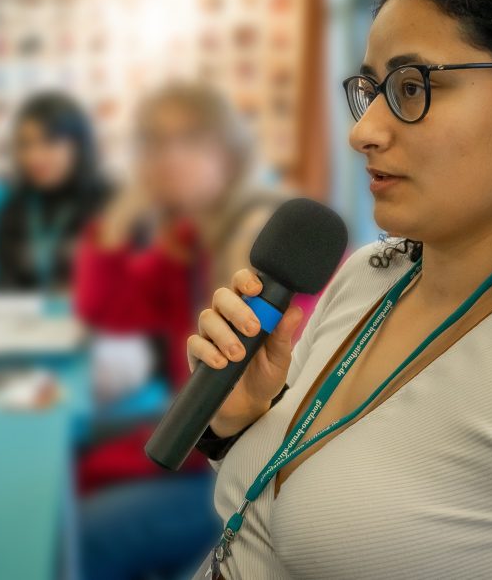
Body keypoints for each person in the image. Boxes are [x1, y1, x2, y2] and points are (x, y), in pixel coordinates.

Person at [189, 0, 492, 579]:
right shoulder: (368, 276)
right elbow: (289, 507)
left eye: (412, 87)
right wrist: (239, 421)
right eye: (370, 90)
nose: (363, 131)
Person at [73, 82, 316, 580]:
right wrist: (118, 221)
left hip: (249, 477)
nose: (167, 157)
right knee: (69, 480)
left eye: (189, 140)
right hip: (194, 451)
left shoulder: (258, 240)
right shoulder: (187, 239)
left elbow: (247, 414)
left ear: (229, 152)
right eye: (155, 142)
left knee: (84, 532)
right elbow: (106, 315)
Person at [0, 91, 109, 291]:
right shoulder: (12, 209)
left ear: (78, 145)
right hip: (25, 320)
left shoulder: (108, 204)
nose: (34, 156)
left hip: (95, 318)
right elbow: (5, 289)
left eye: (49, 142)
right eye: (25, 144)